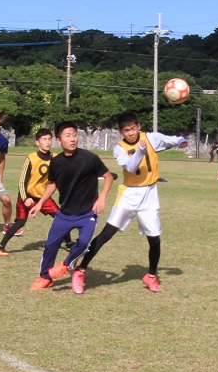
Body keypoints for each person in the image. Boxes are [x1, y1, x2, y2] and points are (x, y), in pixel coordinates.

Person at [73, 112, 187, 293]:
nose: (131, 133)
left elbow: (173, 139)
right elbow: (131, 167)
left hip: (149, 193)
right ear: (121, 132)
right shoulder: (119, 148)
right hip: (129, 194)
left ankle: (151, 276)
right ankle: (80, 271)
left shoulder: (151, 138)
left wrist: (181, 141)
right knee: (106, 234)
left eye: (133, 129)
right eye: (126, 130)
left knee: (155, 238)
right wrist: (141, 150)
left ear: (139, 126)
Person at [30, 122, 114, 291]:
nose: (72, 138)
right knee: (51, 245)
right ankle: (45, 278)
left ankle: (66, 264)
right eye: (67, 135)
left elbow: (108, 176)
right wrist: (40, 203)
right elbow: (52, 183)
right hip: (65, 213)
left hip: (87, 213)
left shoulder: (90, 158)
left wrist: (102, 198)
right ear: (59, 140)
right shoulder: (56, 162)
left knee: (83, 243)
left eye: (74, 134)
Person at [0, 127, 63, 257]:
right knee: (20, 222)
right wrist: (25, 198)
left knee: (61, 217)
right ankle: (0, 246)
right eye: (44, 139)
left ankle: (69, 243)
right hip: (27, 197)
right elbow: (22, 182)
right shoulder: (31, 158)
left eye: (49, 139)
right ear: (37, 142)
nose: (47, 142)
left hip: (43, 197)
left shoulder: (55, 158)